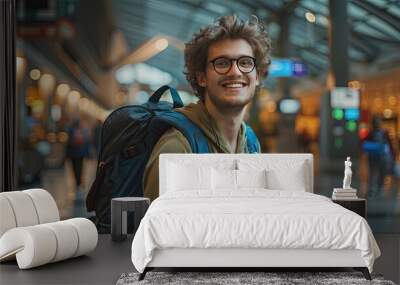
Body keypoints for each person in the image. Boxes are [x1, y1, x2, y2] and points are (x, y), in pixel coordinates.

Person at [143, 15, 272, 201]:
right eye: (222, 63)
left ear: (257, 76)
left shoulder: (250, 143)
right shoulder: (178, 147)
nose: (235, 71)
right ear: (202, 78)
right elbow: (159, 226)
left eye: (245, 63)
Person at [364, 116, 395, 195]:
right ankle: (372, 188)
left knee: (381, 172)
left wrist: (392, 155)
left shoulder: (384, 133)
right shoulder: (370, 133)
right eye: (376, 122)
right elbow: (364, 143)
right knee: (372, 172)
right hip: (373, 156)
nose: (378, 124)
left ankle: (378, 187)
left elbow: (389, 145)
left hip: (382, 156)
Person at [66, 119, 91, 194]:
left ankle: (77, 182)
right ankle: (79, 182)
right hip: (80, 153)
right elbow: (86, 142)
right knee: (80, 167)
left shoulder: (70, 130)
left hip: (73, 153)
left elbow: (68, 143)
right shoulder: (83, 131)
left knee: (74, 168)